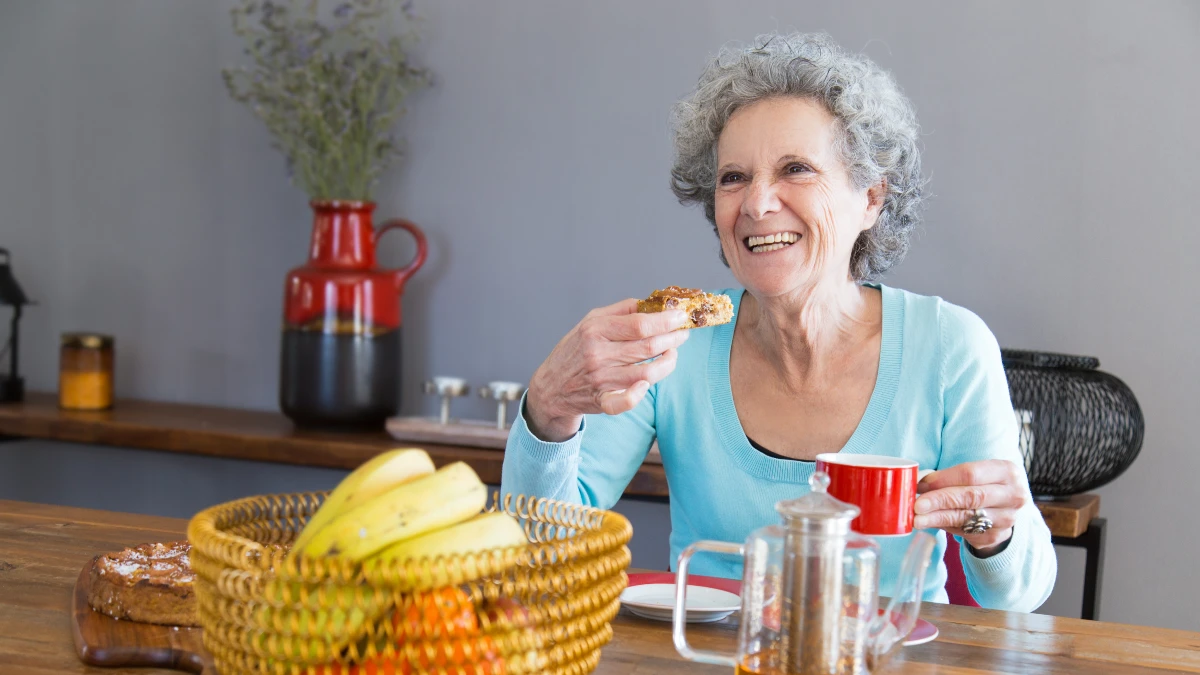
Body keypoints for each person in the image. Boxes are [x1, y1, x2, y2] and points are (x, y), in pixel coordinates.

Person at [500, 32, 1055, 611]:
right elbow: (537, 557)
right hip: (710, 657)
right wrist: (548, 409)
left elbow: (1018, 598)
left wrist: (997, 532)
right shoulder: (674, 342)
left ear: (870, 197)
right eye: (732, 177)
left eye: (795, 168)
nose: (757, 203)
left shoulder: (949, 347)